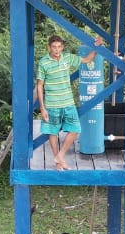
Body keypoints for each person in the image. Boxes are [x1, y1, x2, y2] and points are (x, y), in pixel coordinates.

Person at [36, 34, 102, 170]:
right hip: (52, 104)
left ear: (62, 47)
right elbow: (39, 86)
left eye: (59, 47)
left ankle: (60, 155)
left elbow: (87, 59)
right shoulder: (43, 62)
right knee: (52, 132)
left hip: (68, 103)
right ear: (49, 47)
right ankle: (58, 162)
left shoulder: (67, 57)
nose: (57, 50)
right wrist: (42, 108)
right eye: (54, 47)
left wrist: (96, 47)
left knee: (75, 129)